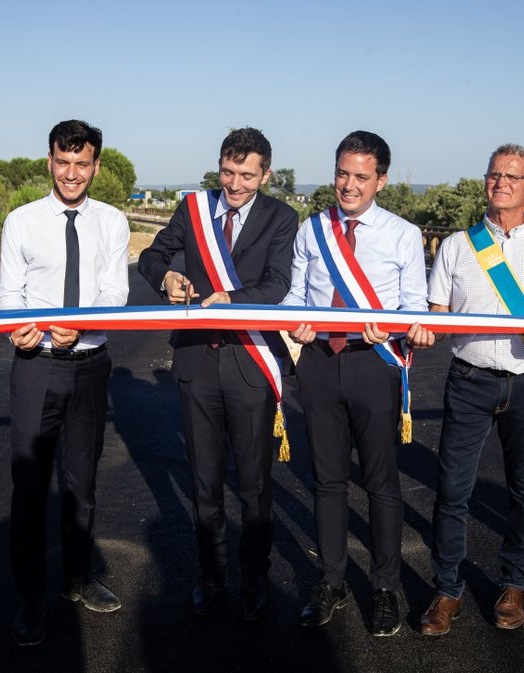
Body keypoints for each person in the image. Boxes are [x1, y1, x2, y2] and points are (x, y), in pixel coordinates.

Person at [137, 128, 297, 620]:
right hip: (196, 364)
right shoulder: (194, 209)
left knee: (253, 484)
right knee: (204, 482)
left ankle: (254, 576)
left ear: (265, 174)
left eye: (247, 175)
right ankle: (211, 574)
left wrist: (232, 300)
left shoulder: (282, 217)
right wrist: (165, 276)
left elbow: (277, 285)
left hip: (249, 362)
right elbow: (151, 256)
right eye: (228, 173)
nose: (234, 184)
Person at [282, 130, 434, 636]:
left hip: (374, 363)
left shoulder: (403, 234)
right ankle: (331, 581)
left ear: (381, 181)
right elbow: (295, 298)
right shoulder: (312, 229)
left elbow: (414, 307)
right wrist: (294, 323)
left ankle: (387, 588)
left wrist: (392, 324)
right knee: (326, 479)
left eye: (361, 177)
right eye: (342, 173)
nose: (348, 185)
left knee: (380, 482)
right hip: (321, 362)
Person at [421, 144, 524, 635]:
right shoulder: (456, 245)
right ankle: (447, 590)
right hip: (469, 379)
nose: (501, 182)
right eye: (494, 175)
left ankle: (513, 584)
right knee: (452, 490)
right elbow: (437, 312)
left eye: (513, 176)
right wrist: (430, 326)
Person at [0, 120, 131, 646]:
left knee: (81, 484)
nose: (72, 173)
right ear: (49, 161)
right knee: (29, 489)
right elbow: (10, 294)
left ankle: (77, 580)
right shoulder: (21, 221)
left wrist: (82, 322)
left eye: (83, 163)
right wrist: (19, 331)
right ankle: (30, 600)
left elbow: (116, 294)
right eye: (63, 161)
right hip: (37, 367)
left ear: (96, 165)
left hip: (92, 364)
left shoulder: (114, 222)